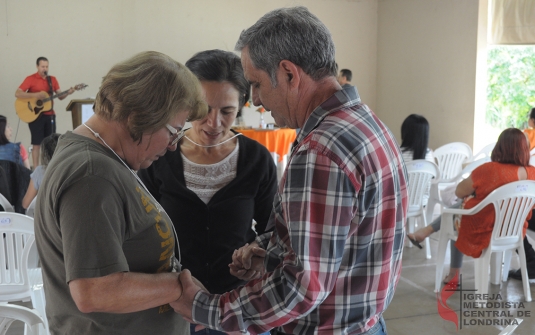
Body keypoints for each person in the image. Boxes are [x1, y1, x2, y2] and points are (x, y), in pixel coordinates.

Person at [171, 7, 408, 335]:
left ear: (288, 74)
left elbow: (301, 287)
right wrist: (271, 253)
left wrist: (202, 308)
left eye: (255, 84)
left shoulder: (321, 151)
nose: (254, 100)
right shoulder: (368, 124)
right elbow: (339, 239)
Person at [34, 51, 207, 334]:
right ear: (141, 116)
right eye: (173, 130)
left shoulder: (105, 161)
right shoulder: (92, 174)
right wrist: (178, 287)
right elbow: (94, 291)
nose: (174, 145)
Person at [138, 49, 277, 335]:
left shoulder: (257, 159)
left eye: (226, 111)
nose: (213, 123)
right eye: (202, 109)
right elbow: (142, 235)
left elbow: (273, 231)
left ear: (241, 105)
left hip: (237, 309)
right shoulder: (159, 156)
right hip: (172, 308)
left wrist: (257, 256)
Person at [408, 128, 535, 283]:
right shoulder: (532, 173)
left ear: (500, 146)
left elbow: (459, 191)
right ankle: (426, 232)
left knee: (458, 216)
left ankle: (454, 272)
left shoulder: (489, 170)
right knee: (463, 210)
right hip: (513, 230)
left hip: (485, 229)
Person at [15, 57, 75, 170]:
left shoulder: (52, 80)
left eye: (47, 66)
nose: (45, 69)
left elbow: (60, 96)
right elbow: (18, 93)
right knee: (37, 143)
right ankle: (36, 170)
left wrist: (69, 92)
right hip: (35, 116)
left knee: (51, 143)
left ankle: (51, 168)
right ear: (37, 66)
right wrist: (35, 95)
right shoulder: (31, 79)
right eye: (43, 66)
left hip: (50, 115)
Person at [21, 133, 60, 210]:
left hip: (45, 217)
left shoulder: (40, 171)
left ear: (44, 154)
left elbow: (25, 204)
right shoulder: (74, 169)